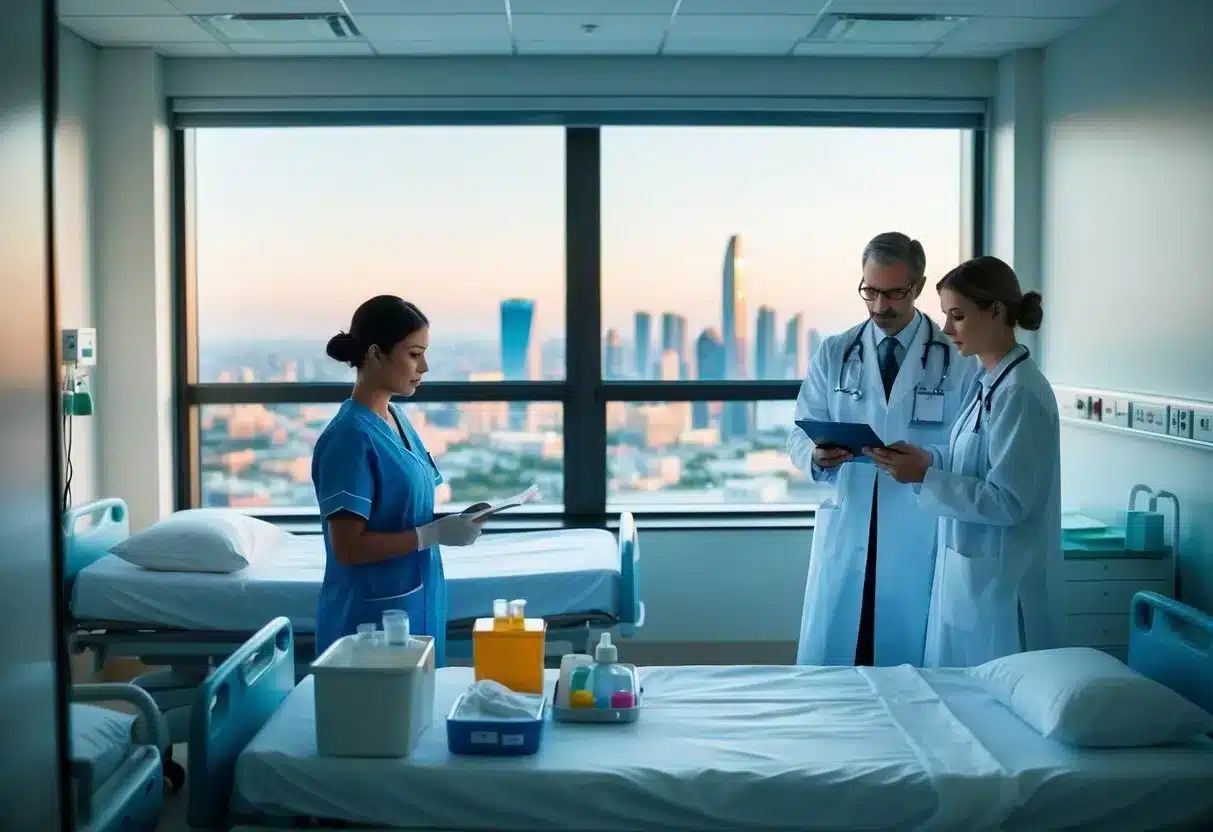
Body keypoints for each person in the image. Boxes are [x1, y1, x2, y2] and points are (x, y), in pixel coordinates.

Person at [787, 232, 981, 667]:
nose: (879, 307)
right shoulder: (835, 351)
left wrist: (929, 462)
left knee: (910, 664)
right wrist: (816, 457)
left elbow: (970, 447)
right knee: (842, 661)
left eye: (893, 293)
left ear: (917, 286)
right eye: (869, 291)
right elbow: (797, 435)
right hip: (851, 516)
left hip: (920, 524)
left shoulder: (957, 357)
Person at [865, 256, 1062, 668]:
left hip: (1003, 594)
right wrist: (928, 459)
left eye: (957, 316)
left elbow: (1009, 501)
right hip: (971, 581)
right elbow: (973, 463)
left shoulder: (1020, 394)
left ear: (995, 312)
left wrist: (928, 477)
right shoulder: (988, 382)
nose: (946, 330)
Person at [311, 295, 484, 666]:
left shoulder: (398, 421)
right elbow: (348, 547)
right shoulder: (350, 438)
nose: (425, 365)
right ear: (375, 354)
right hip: (370, 620)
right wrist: (432, 535)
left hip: (416, 600)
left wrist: (452, 524)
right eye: (414, 353)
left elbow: (404, 512)